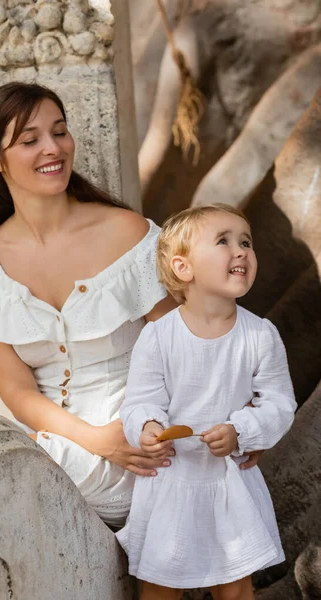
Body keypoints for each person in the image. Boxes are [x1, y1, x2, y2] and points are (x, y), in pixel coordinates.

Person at [0, 82, 262, 528]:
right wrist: (95, 441)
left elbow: (185, 350)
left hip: (148, 443)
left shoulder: (127, 234)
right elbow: (18, 392)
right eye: (30, 140)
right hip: (63, 447)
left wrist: (241, 422)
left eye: (60, 132)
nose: (53, 149)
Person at [115, 204, 297, 599]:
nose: (241, 251)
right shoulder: (159, 336)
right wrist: (147, 428)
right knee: (160, 586)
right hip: (171, 481)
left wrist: (241, 431)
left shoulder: (259, 335)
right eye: (223, 241)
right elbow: (141, 400)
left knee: (235, 586)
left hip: (228, 482)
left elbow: (279, 402)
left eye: (246, 242)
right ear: (183, 268)